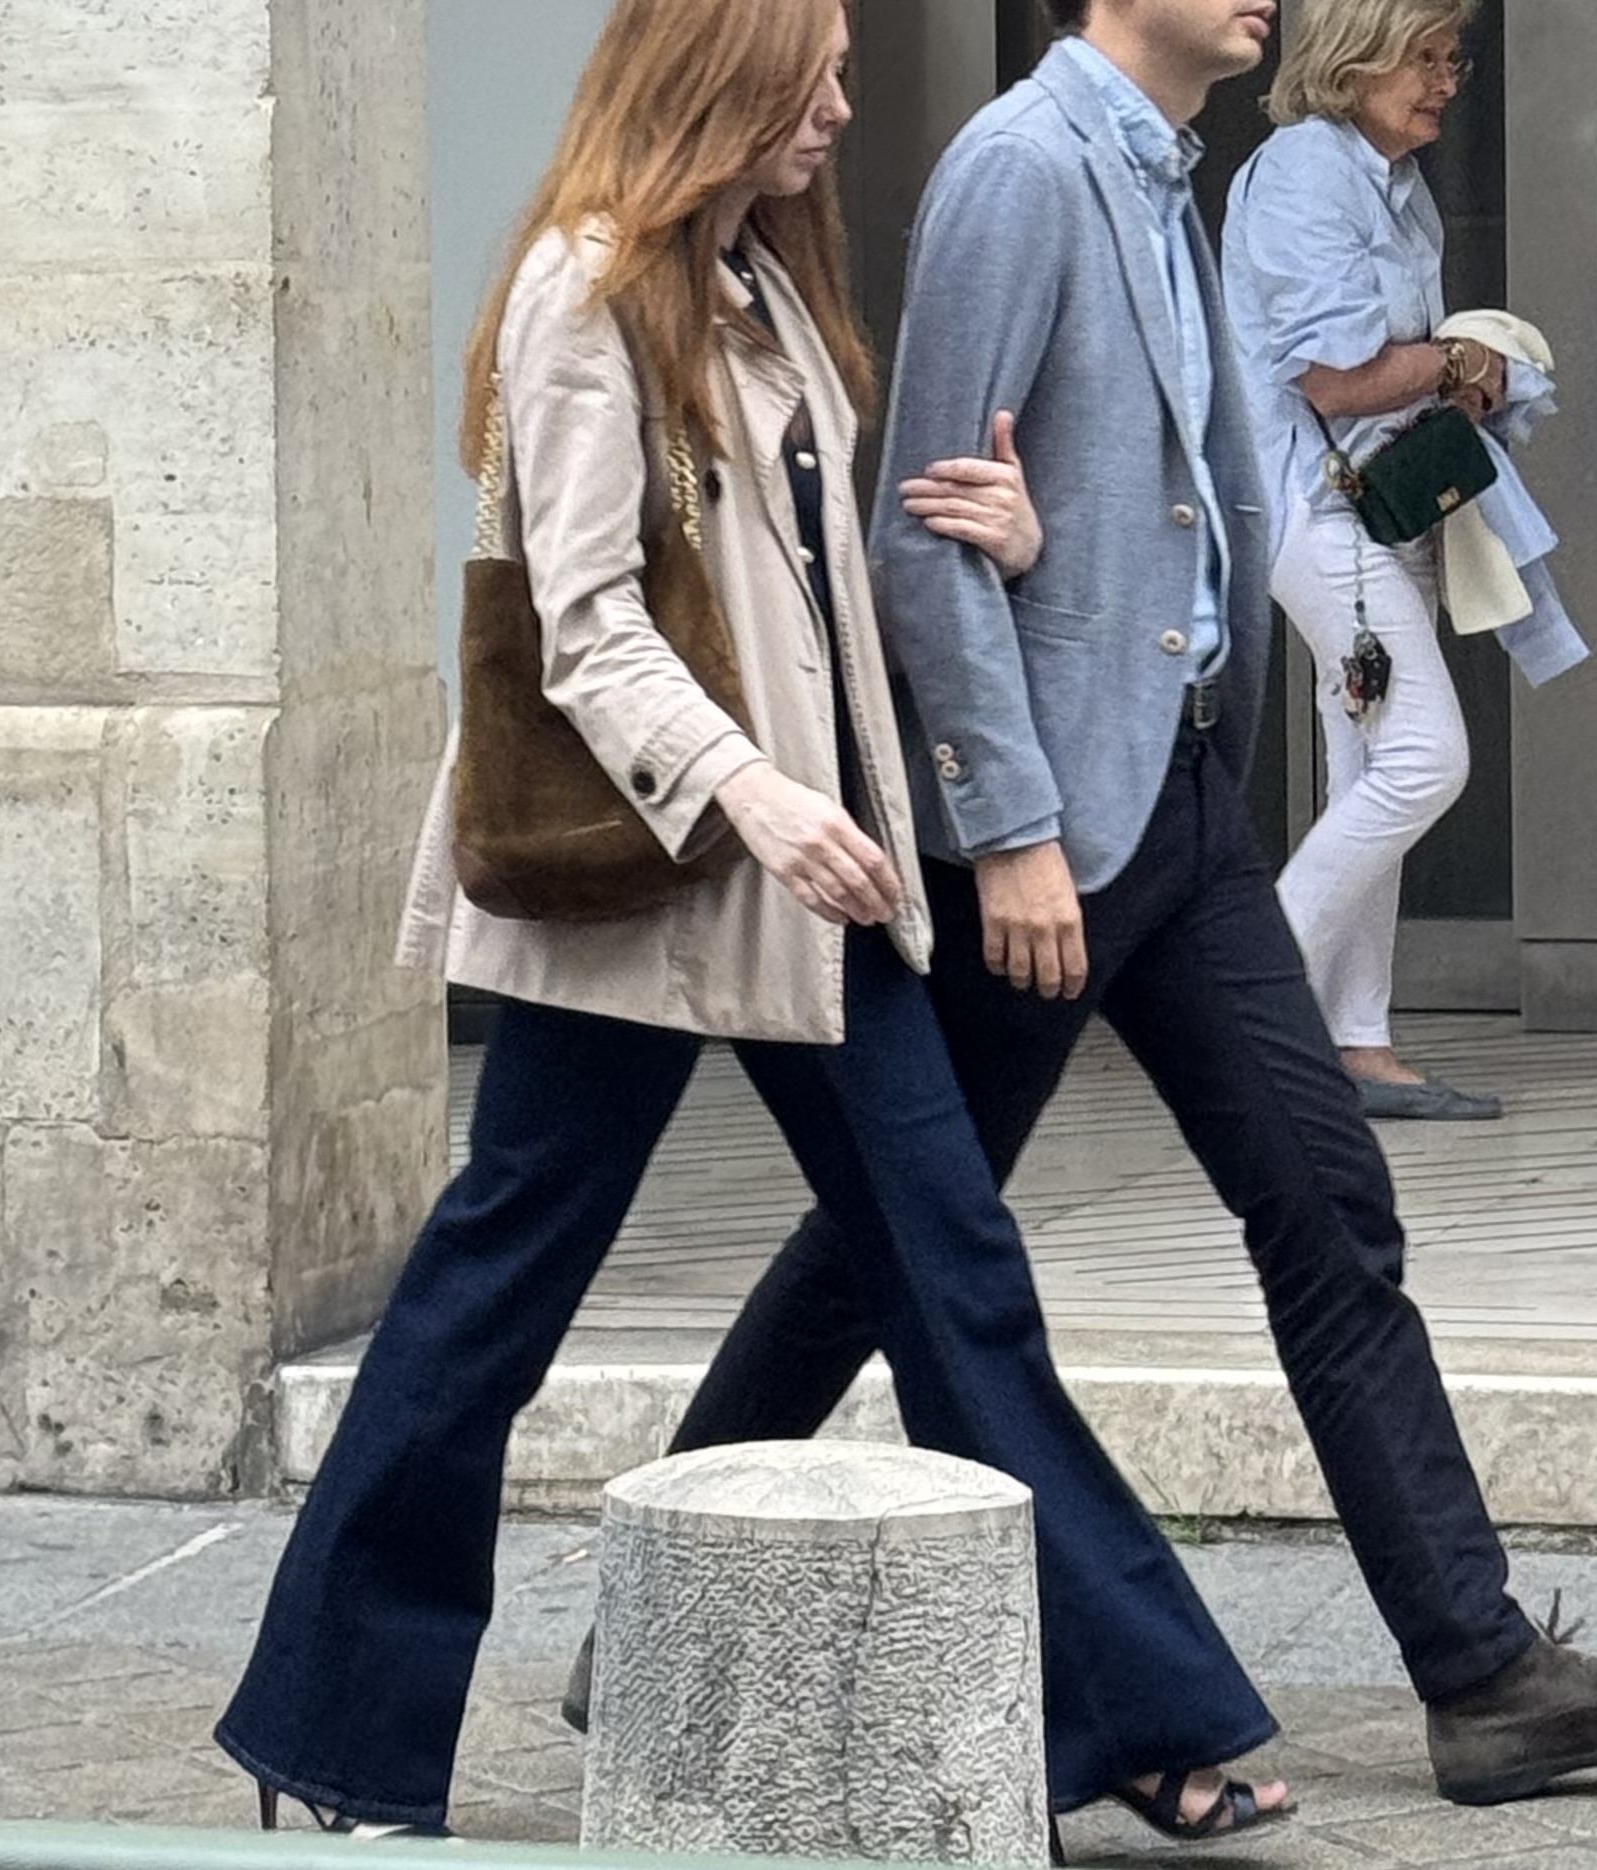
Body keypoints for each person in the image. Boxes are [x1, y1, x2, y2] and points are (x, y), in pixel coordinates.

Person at [625, 0, 1597, 1812]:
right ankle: (657, 1625)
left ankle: (1481, 1678)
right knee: (890, 1235)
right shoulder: (1021, 168)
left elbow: (1114, 498)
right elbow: (926, 521)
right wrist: (1002, 827)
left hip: (1176, 794)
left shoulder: (1168, 171)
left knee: (1323, 1197)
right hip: (1053, 826)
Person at [216, 0, 1291, 1844]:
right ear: (718, 74)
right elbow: (586, 627)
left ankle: (1126, 1714)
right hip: (650, 894)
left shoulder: (762, 298)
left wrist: (1015, 552)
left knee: (959, 1281)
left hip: (814, 895)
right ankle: (328, 1736)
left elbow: (817, 590)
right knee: (491, 1297)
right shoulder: (586, 292)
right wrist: (762, 801)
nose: (843, 112)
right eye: (821, 76)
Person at [1221, 0, 1511, 1120]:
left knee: (1367, 764)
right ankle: (1257, 1015)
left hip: (1378, 515)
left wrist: (1458, 369)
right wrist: (1455, 357)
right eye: (1424, 57)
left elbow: (1396, 366)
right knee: (1425, 759)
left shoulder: (1390, 181)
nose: (1446, 80)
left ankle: (1356, 1043)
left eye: (1454, 58)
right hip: (1314, 511)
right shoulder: (1306, 170)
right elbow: (1338, 377)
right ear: (1353, 58)